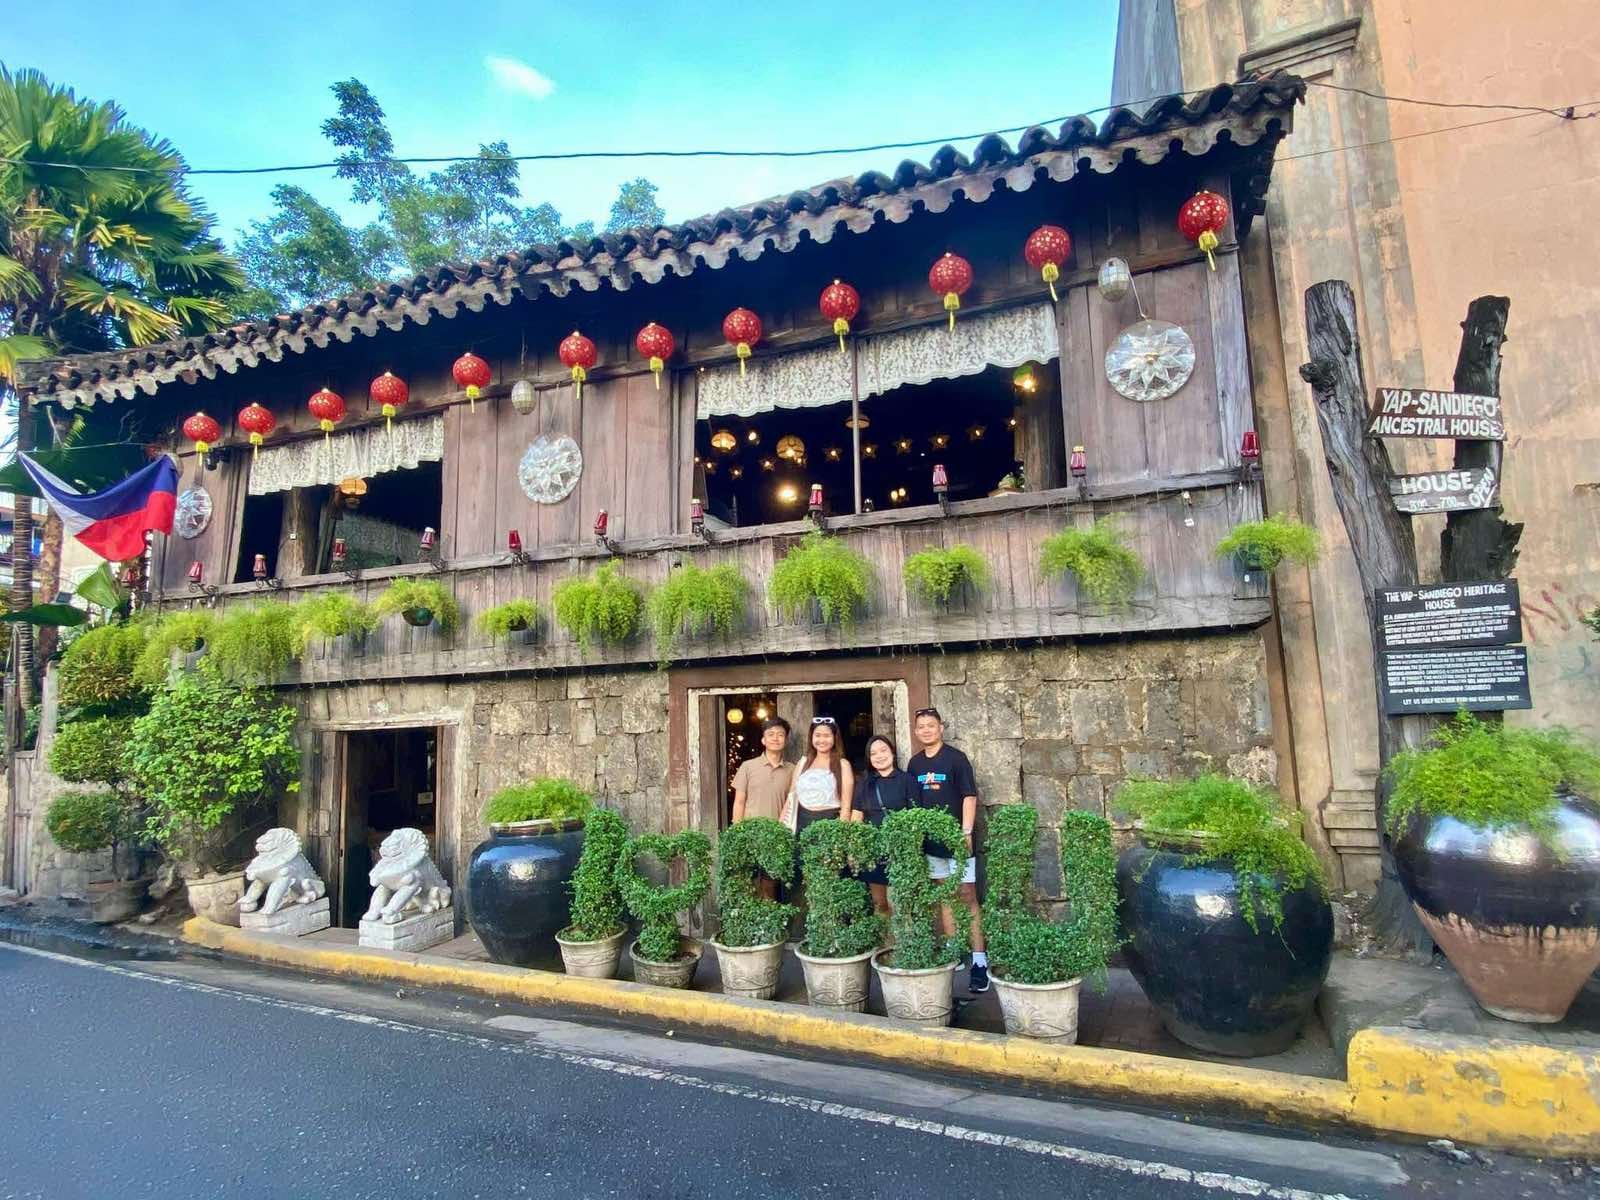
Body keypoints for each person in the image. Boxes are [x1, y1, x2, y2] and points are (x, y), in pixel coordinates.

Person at [908, 707, 988, 993]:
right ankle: (954, 952)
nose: (926, 730)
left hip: (958, 841)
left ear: (941, 727)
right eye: (921, 726)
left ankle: (979, 960)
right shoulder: (915, 764)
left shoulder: (956, 759)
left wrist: (965, 831)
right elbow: (914, 806)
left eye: (931, 725)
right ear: (916, 731)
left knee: (967, 896)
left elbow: (969, 796)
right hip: (932, 845)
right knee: (944, 895)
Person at [851, 734, 916, 921]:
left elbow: (914, 816)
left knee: (902, 903)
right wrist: (856, 848)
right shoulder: (866, 784)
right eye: (873, 753)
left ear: (892, 753)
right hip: (874, 852)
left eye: (883, 750)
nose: (879, 756)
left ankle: (902, 946)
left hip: (899, 852)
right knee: (880, 904)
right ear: (869, 759)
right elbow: (857, 816)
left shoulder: (907, 780)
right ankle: (885, 947)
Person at [731, 717, 794, 899]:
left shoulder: (792, 770)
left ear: (786, 740)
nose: (776, 738)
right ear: (763, 740)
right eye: (771, 734)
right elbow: (739, 802)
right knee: (748, 885)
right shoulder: (748, 767)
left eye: (780, 735)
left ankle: (771, 925)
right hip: (750, 834)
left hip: (777, 837)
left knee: (770, 887)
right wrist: (738, 832)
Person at [781, 716, 854, 839]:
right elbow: (791, 798)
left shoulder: (843, 765)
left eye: (827, 736)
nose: (822, 740)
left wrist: (840, 839)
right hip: (802, 823)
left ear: (834, 738)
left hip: (830, 825)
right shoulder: (803, 763)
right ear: (811, 737)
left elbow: (846, 806)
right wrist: (781, 827)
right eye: (818, 735)